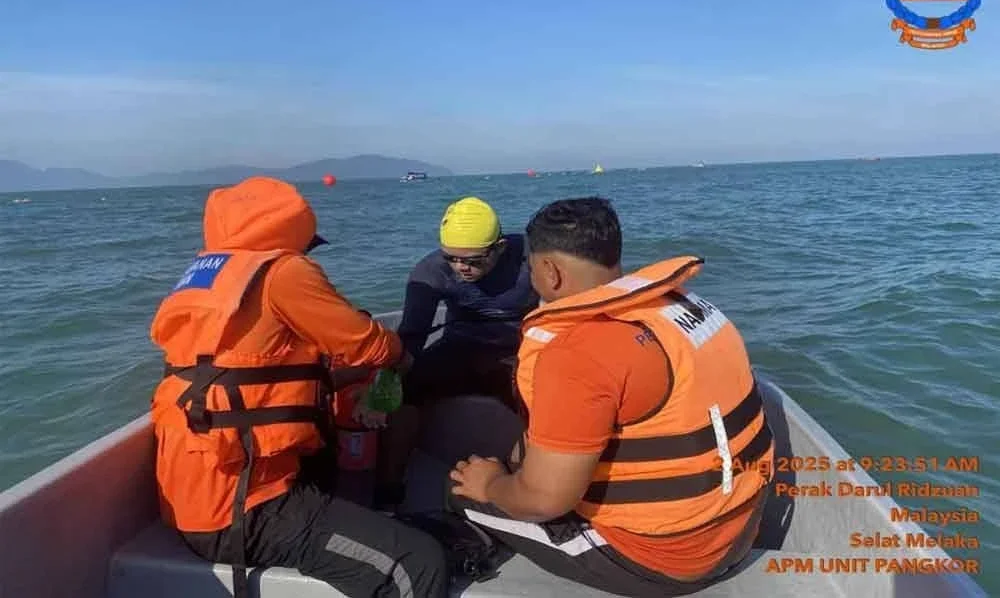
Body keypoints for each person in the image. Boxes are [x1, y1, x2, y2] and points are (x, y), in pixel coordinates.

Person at [448, 197, 776, 597]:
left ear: (549, 272)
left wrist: (491, 484)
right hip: (742, 528)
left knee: (461, 489)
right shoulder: (686, 306)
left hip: (663, 561)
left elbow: (542, 501)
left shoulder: (575, 352)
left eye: (531, 268)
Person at [148, 176, 448, 598]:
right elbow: (364, 342)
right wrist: (400, 357)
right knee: (417, 562)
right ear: (289, 237)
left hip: (200, 494)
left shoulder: (207, 276)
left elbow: (252, 374)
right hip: (243, 509)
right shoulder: (283, 272)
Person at [396, 196, 539, 408]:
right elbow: (412, 336)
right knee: (404, 387)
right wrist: (386, 384)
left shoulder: (533, 257)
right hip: (460, 345)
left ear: (500, 247)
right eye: (451, 258)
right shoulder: (432, 271)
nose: (461, 267)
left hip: (520, 348)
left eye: (473, 261)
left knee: (544, 390)